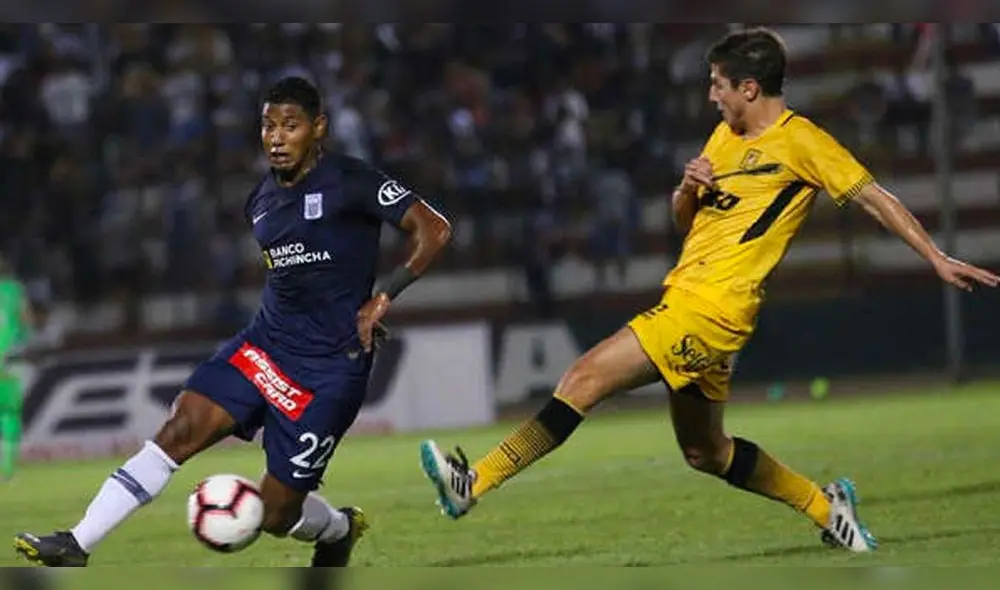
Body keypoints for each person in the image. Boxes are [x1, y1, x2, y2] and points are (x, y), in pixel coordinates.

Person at [419, 27, 999, 553]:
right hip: (691, 301)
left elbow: (875, 197)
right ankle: (827, 506)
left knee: (583, 379)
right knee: (707, 453)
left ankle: (474, 482)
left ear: (749, 87)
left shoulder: (804, 143)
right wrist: (687, 189)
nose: (711, 96)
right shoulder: (725, 135)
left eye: (718, 85)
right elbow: (683, 221)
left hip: (712, 310)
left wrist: (935, 255)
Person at [15, 76, 452, 567]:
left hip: (329, 371)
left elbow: (434, 230)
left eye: (291, 126)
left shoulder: (352, 180)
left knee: (274, 514)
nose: (277, 137)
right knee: (180, 428)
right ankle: (77, 542)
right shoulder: (259, 202)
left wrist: (382, 298)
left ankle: (339, 528)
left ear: (319, 128)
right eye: (268, 126)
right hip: (265, 346)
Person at [0, 254, 33, 481]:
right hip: (9, 361)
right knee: (10, 415)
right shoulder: (14, 290)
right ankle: (7, 470)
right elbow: (25, 319)